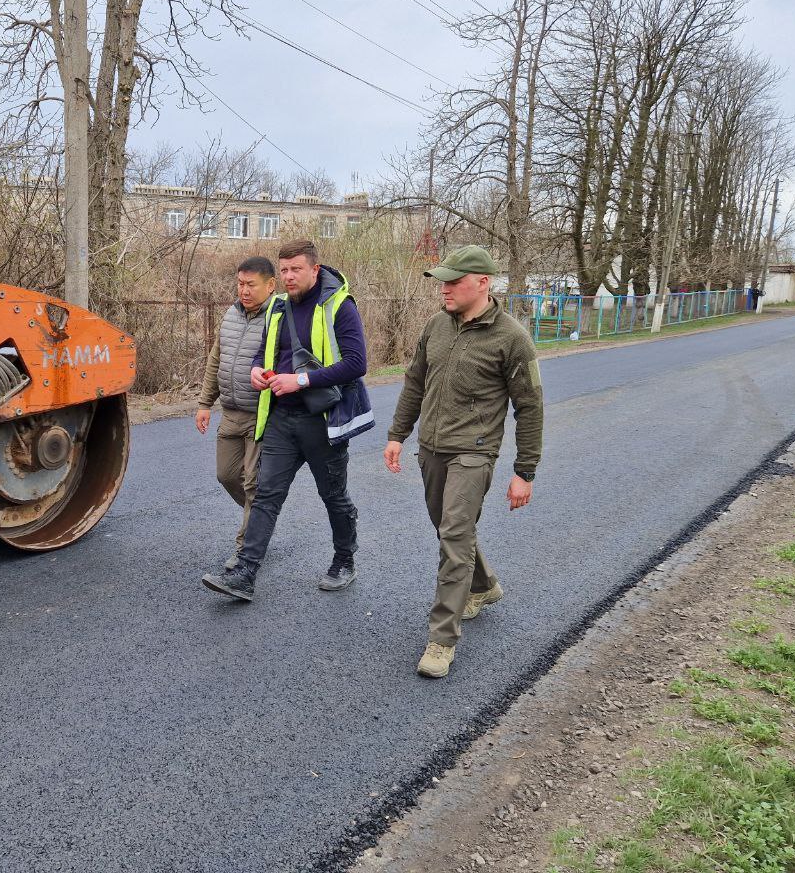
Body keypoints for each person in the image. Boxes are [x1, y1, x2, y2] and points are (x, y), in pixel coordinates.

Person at [383, 245, 544, 679]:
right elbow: (415, 381)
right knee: (449, 526)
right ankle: (484, 585)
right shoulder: (436, 325)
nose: (445, 289)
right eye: (442, 281)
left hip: (474, 451)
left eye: (453, 282)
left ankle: (441, 640)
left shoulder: (512, 338)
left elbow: (530, 407)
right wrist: (398, 434)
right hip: (431, 447)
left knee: (454, 534)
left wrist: (524, 471)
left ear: (483, 283)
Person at [201, 239, 374, 602]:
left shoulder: (339, 306)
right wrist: (256, 372)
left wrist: (302, 379)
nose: (289, 276)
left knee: (333, 497)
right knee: (265, 495)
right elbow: (266, 351)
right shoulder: (277, 309)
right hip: (281, 418)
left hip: (322, 422)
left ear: (315, 268)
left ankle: (344, 560)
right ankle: (245, 575)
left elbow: (357, 364)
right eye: (284, 270)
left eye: (296, 269)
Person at [195, 256, 278, 569]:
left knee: (253, 483)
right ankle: (262, 517)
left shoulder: (280, 317)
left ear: (270, 285)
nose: (244, 290)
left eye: (251, 285)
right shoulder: (230, 314)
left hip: (262, 413)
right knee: (227, 475)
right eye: (240, 284)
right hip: (230, 412)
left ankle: (247, 549)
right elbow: (216, 360)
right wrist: (205, 403)